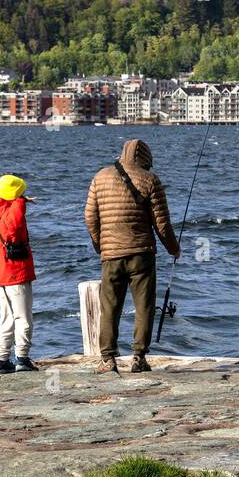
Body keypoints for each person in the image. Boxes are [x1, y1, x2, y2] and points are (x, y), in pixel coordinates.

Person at [85, 139, 180, 373]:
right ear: (146, 159)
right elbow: (162, 224)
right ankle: (139, 358)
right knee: (145, 307)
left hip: (111, 255)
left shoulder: (100, 176)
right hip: (142, 254)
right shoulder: (150, 180)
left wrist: (101, 245)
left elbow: (90, 217)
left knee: (110, 308)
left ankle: (108, 359)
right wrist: (173, 249)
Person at [0, 174, 37, 374]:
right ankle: (22, 359)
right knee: (23, 317)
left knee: (6, 317)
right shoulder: (12, 214)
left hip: (2, 271)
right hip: (16, 272)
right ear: (15, 195)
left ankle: (1, 360)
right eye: (21, 192)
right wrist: (20, 202)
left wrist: (18, 201)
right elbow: (15, 226)